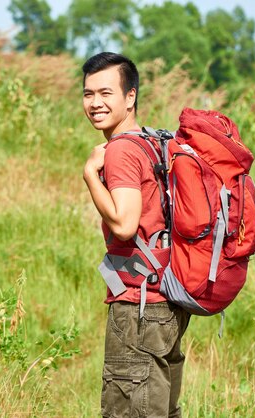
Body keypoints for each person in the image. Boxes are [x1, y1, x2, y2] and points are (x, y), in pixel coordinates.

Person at [81, 52, 191, 418]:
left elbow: (125, 224)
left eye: (106, 93)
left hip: (138, 305)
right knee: (161, 409)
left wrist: (88, 176)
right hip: (168, 300)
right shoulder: (154, 141)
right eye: (88, 94)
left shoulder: (123, 151)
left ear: (130, 97)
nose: (95, 103)